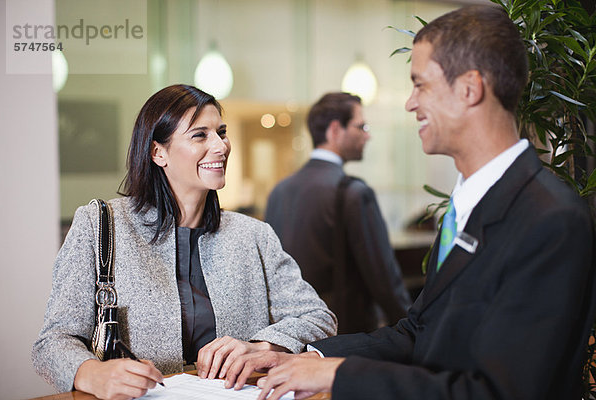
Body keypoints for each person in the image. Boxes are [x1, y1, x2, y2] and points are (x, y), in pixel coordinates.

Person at [222, 5, 596, 399]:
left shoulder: (550, 219)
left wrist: (341, 377)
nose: (410, 103)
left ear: (470, 88)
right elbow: (418, 332)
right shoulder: (466, 204)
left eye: (420, 85)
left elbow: (502, 392)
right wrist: (307, 355)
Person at [32, 84, 337, 400]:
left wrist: (262, 347)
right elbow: (52, 342)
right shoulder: (99, 225)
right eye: (200, 135)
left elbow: (320, 318)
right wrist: (91, 373)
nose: (221, 146)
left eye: (221, 132)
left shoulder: (253, 235)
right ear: (157, 152)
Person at [265, 92, 411, 334]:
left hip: (293, 332)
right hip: (344, 332)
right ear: (335, 130)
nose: (368, 135)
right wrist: (413, 329)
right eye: (361, 126)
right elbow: (383, 277)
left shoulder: (280, 191)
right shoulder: (352, 192)